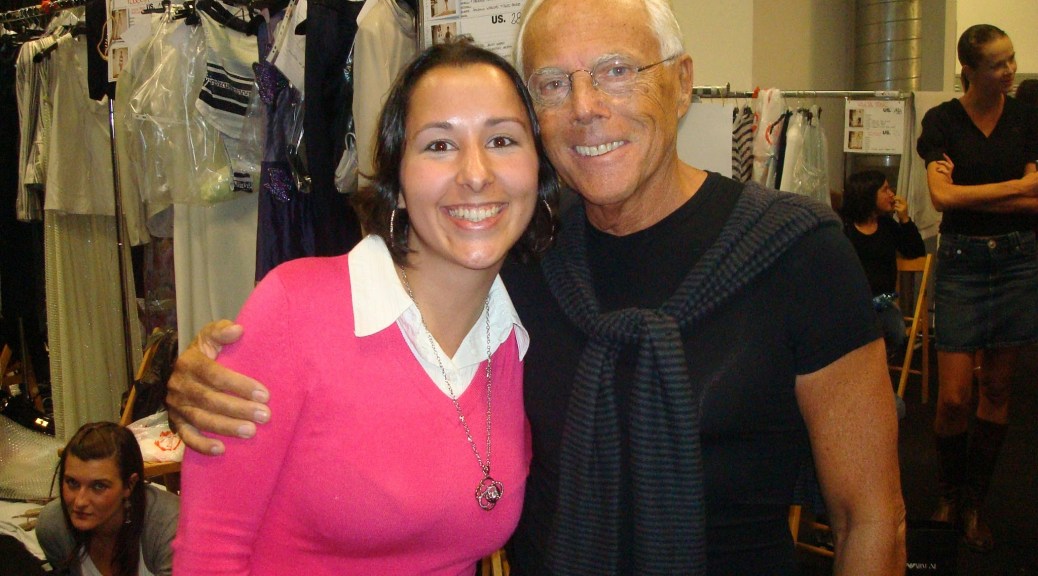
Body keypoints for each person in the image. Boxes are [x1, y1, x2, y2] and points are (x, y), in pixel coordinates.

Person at [166, 0, 906, 574]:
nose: (585, 104)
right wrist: (216, 368)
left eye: (617, 69)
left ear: (682, 84)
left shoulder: (794, 251)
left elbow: (869, 516)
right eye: (553, 83)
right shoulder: (524, 262)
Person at [171, 38, 559, 575]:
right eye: (439, 145)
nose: (476, 173)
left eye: (501, 139)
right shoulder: (294, 312)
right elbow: (210, 553)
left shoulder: (522, 333)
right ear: (397, 181)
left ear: (538, 173)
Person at [917, 24, 1038, 552]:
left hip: (1018, 259)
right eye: (998, 64)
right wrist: (1019, 187)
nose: (1010, 71)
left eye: (1012, 60)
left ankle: (974, 504)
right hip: (963, 262)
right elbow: (942, 200)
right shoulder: (941, 121)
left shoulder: (1028, 117)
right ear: (970, 69)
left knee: (997, 391)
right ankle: (948, 494)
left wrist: (973, 193)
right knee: (953, 398)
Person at [36, 422, 179, 576]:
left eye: (98, 486)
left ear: (129, 484)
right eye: (72, 483)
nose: (80, 502)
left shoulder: (170, 527)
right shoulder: (54, 526)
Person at [840, 170, 926, 356]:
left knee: (895, 335)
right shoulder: (845, 229)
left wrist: (904, 219)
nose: (892, 194)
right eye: (885, 189)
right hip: (854, 303)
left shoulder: (887, 225)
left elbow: (915, 251)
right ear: (869, 195)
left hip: (883, 301)